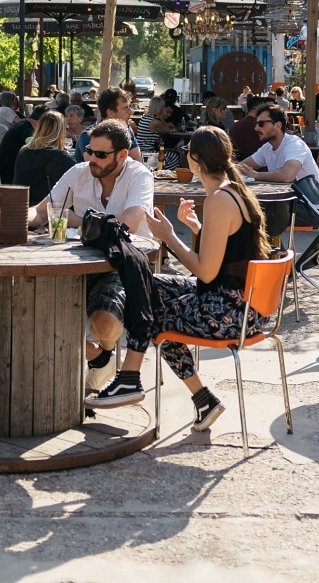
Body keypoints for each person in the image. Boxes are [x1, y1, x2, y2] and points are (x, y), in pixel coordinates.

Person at [87, 126, 270, 431]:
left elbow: (206, 271)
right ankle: (200, 399)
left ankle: (131, 379)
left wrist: (169, 236)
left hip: (230, 313)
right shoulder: (235, 192)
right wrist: (198, 229)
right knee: (148, 286)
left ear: (194, 160)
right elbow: (231, 250)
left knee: (155, 310)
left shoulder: (220, 200)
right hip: (244, 304)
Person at [27, 119, 154, 392]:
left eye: (100, 154)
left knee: (105, 325)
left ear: (122, 155)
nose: (91, 159)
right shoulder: (79, 172)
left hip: (123, 263)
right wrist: (15, 215)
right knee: (33, 310)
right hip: (76, 261)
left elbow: (128, 223)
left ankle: (103, 352)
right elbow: (41, 211)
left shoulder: (139, 175)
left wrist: (77, 220)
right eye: (89, 151)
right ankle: (100, 358)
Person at [13, 109, 76, 204]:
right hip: (46, 210)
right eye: (65, 129)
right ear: (60, 132)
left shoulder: (24, 150)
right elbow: (79, 175)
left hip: (20, 206)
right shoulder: (59, 157)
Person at [76, 87, 133, 159]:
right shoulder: (89, 135)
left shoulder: (126, 130)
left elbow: (137, 163)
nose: (131, 112)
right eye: (125, 108)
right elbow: (97, 165)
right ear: (111, 113)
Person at [0, 104, 40, 182]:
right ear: (42, 121)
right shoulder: (26, 129)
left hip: (6, 169)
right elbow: (32, 143)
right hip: (12, 173)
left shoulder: (21, 125)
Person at [228, 94, 267, 162]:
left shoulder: (235, 126)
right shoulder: (264, 126)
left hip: (238, 164)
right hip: (261, 166)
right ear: (255, 107)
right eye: (263, 107)